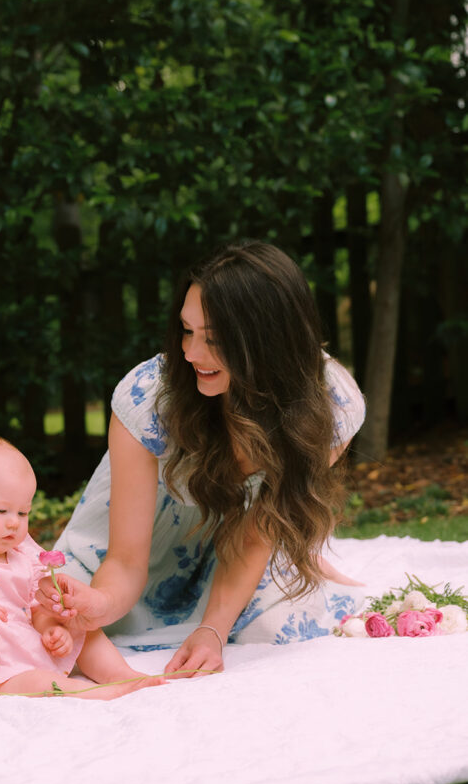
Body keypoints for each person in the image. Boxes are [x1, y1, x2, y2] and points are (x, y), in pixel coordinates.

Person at [35, 240, 367, 677]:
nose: (191, 353)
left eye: (212, 339)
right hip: (137, 543)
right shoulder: (149, 397)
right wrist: (101, 604)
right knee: (60, 622)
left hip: (235, 544)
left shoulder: (332, 406)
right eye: (186, 331)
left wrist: (212, 629)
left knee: (282, 626)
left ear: (267, 342)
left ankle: (292, 555)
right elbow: (125, 560)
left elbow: (257, 531)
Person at [0, 434, 163, 699]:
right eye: (2, 511)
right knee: (35, 682)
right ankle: (88, 692)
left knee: (83, 628)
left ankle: (123, 675)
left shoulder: (21, 556)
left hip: (17, 642)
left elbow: (33, 609)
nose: (14, 523)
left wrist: (52, 629)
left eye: (23, 512)